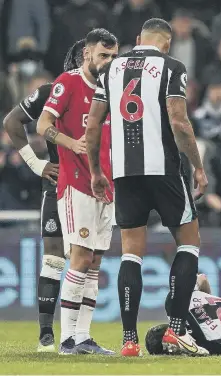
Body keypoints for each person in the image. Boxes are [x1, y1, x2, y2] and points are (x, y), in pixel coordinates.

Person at [85, 18, 209, 357]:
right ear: (166, 44)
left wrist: (97, 170)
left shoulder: (110, 69)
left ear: (138, 39)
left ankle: (128, 340)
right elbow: (178, 119)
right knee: (189, 243)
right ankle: (176, 330)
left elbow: (93, 123)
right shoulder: (171, 66)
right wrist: (198, 165)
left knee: (130, 252)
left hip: (125, 172)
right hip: (165, 168)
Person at [36, 29, 119, 355]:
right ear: (87, 54)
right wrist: (71, 143)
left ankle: (83, 336)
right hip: (75, 184)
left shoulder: (114, 89)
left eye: (113, 57)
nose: (109, 62)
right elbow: (43, 124)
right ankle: (67, 339)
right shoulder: (67, 83)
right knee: (81, 256)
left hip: (105, 186)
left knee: (96, 261)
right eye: (103, 56)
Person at [3, 40, 85, 352]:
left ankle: (77, 335)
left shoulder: (107, 93)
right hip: (58, 183)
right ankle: (46, 336)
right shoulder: (56, 90)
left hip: (93, 187)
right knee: (52, 259)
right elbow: (12, 121)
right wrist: (36, 163)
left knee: (85, 261)